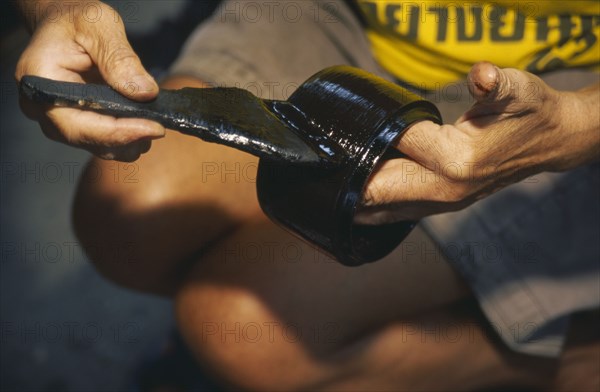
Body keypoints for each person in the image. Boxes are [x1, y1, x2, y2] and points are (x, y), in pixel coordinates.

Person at [15, 0, 599, 390]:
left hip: (571, 80)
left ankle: (568, 359)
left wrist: (571, 130)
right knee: (127, 216)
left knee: (245, 336)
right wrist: (53, 9)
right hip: (349, 15)